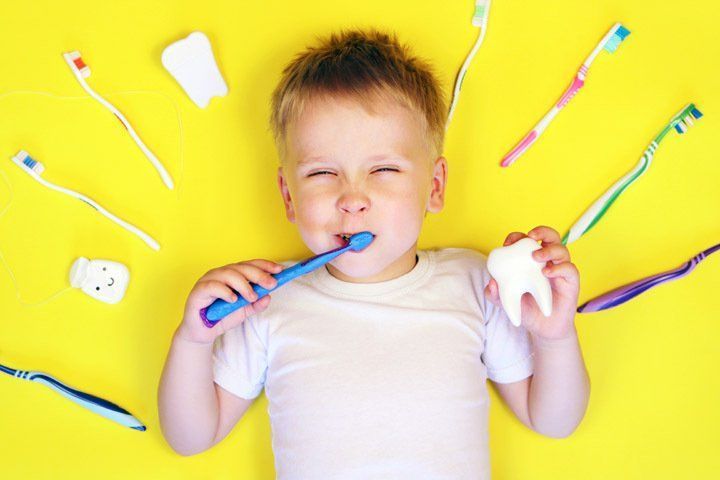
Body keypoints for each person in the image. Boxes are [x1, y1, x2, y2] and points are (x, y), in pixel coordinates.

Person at [158, 29, 590, 479]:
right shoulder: (265, 301)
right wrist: (193, 340)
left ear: (435, 187)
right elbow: (190, 439)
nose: (352, 198)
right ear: (288, 196)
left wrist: (554, 336)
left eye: (383, 169)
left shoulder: (475, 284)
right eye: (323, 172)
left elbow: (555, 421)